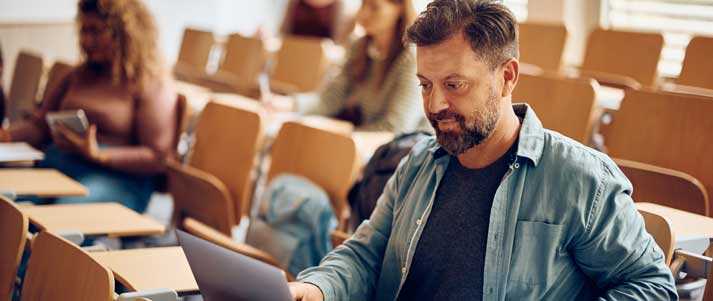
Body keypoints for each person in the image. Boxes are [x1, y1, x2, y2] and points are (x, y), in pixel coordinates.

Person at [288, 0, 678, 300]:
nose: (435, 105)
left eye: (455, 85)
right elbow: (365, 255)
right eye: (425, 85)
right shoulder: (417, 165)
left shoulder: (581, 180)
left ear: (507, 77)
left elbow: (653, 286)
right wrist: (319, 287)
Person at [0, 0, 177, 213]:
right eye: (83, 31)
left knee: (60, 216)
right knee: (8, 206)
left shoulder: (150, 84)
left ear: (125, 34)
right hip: (63, 166)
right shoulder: (77, 75)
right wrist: (6, 135)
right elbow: (40, 126)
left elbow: (158, 157)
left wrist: (100, 155)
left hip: (120, 179)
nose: (86, 40)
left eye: (95, 32)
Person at [272, 0, 424, 134]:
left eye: (374, 7)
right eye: (363, 4)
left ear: (399, 8)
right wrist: (289, 104)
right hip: (356, 140)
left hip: (390, 155)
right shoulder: (359, 47)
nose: (363, 13)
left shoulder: (411, 58)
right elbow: (330, 100)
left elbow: (396, 128)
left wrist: (346, 136)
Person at [280, 0, 355, 45]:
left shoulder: (339, 5)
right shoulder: (295, 2)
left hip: (323, 62)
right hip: (292, 53)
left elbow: (340, 42)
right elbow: (283, 32)